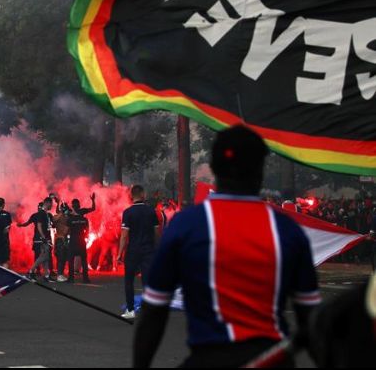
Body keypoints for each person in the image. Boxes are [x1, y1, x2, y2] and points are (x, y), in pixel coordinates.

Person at [133, 125, 321, 368]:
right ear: (260, 171)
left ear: (215, 169)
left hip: (208, 359)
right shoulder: (287, 230)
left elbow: (154, 311)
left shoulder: (186, 225)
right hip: (273, 359)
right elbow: (313, 320)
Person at [118, 185, 159, 319]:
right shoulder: (151, 211)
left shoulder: (128, 212)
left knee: (129, 281)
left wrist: (119, 253)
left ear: (131, 196)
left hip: (133, 250)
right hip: (148, 250)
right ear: (142, 195)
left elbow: (124, 235)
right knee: (147, 281)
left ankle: (130, 310)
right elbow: (157, 232)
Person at [19, 197, 54, 281]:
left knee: (46, 257)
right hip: (42, 239)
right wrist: (43, 237)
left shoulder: (46, 214)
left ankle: (46, 275)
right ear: (47, 203)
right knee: (43, 256)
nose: (52, 206)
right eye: (51, 204)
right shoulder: (41, 213)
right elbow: (39, 225)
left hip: (45, 238)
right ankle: (31, 272)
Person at [67, 194, 96, 284]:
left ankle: (71, 278)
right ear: (79, 205)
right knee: (83, 259)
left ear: (72, 206)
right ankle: (86, 278)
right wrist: (93, 200)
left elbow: (67, 230)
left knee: (71, 259)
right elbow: (93, 209)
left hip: (73, 240)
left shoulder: (70, 218)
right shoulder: (84, 218)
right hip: (81, 240)